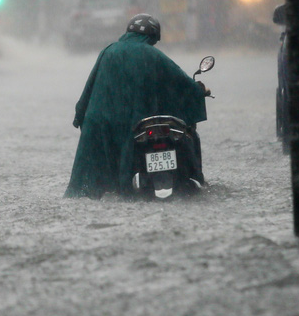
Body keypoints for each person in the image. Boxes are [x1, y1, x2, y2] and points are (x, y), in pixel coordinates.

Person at [65, 13, 209, 199]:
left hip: (101, 121)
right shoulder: (152, 54)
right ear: (153, 36)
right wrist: (197, 92)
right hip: (132, 120)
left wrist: (81, 113)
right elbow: (179, 81)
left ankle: (100, 191)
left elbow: (89, 88)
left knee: (98, 180)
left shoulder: (108, 51)